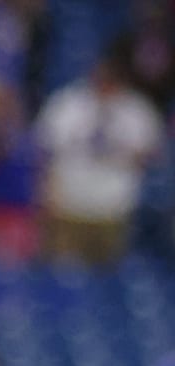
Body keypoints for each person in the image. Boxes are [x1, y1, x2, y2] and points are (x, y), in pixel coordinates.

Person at [35, 50, 161, 267]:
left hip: (114, 208)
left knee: (111, 280)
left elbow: (152, 154)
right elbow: (43, 151)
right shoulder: (67, 104)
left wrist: (123, 153)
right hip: (69, 206)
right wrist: (47, 192)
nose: (105, 83)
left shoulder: (136, 111)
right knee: (65, 276)